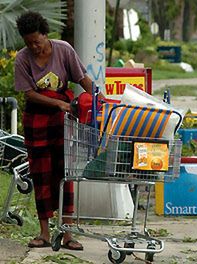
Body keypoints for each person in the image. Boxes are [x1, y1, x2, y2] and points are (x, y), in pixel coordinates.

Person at [14, 11, 95, 250]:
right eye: (29, 43)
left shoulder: (64, 50)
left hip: (63, 122)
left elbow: (82, 79)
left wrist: (99, 100)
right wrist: (58, 103)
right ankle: (44, 233)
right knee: (41, 175)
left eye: (37, 42)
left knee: (64, 172)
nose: (34, 47)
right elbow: (28, 93)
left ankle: (68, 232)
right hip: (37, 121)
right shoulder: (22, 59)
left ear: (45, 35)